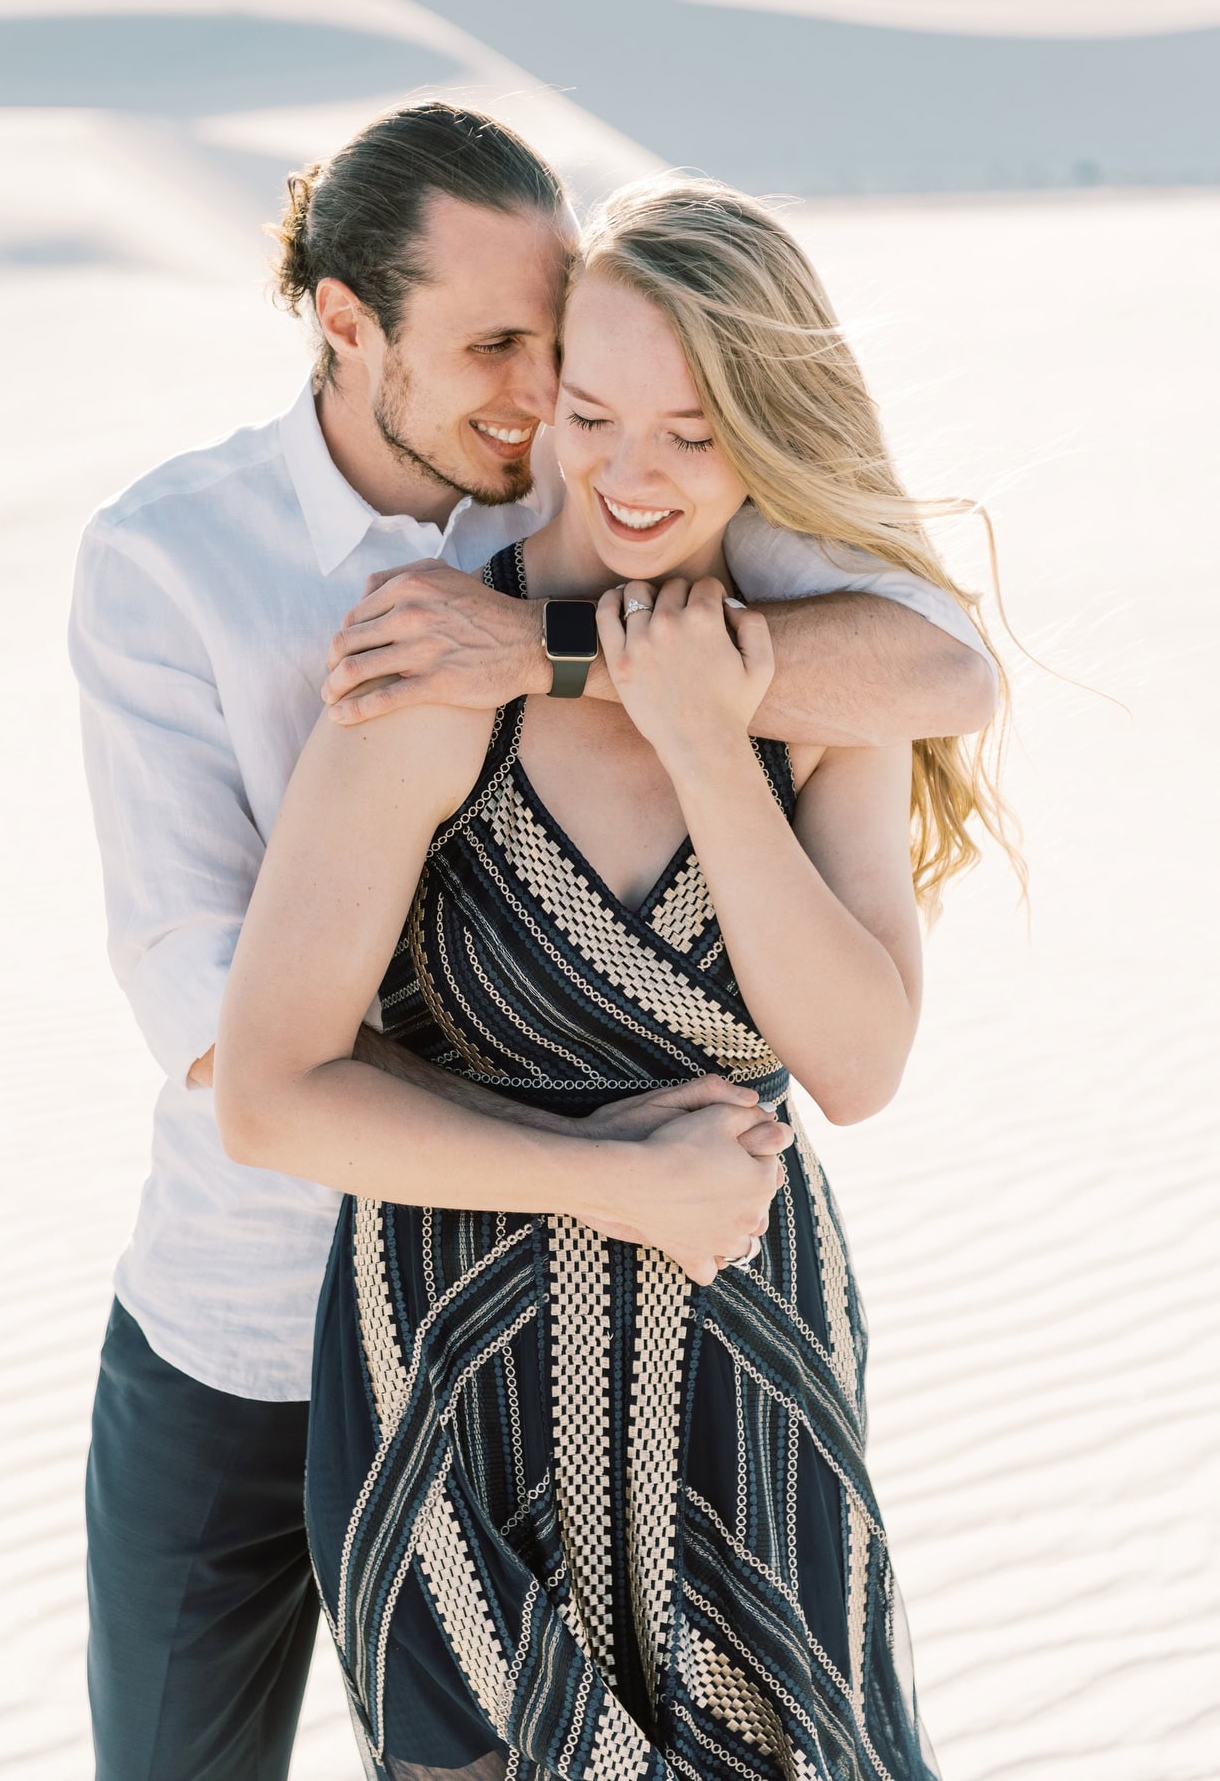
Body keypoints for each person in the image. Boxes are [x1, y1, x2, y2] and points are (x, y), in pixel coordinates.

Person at [70, 104, 996, 1781]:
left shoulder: (725, 607)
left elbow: (942, 688)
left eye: (676, 423)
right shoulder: (238, 588)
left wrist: (629, 685)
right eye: (539, 378)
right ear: (349, 327)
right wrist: (607, 1170)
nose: (580, 438)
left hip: (723, 1342)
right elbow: (237, 1056)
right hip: (333, 1320)